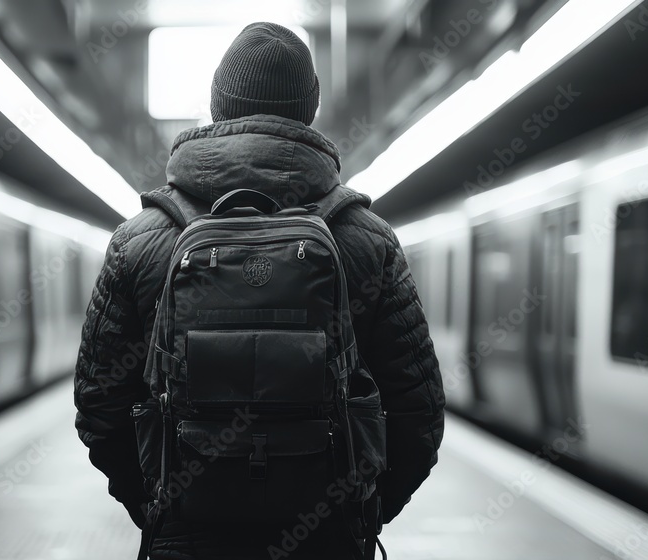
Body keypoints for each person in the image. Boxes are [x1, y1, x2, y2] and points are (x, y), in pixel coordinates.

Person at [75, 22, 445, 559]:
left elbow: (99, 403)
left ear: (217, 104)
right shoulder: (368, 241)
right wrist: (354, 514)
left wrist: (160, 505)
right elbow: (418, 413)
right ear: (309, 110)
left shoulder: (140, 241)